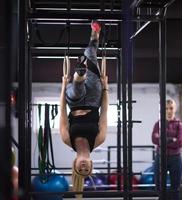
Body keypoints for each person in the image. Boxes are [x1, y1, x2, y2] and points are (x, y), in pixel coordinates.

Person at [59, 20, 109, 198]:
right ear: (90, 163)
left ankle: (79, 75)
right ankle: (94, 35)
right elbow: (104, 113)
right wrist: (105, 88)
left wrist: (63, 87)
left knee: (75, 93)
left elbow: (62, 113)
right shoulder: (99, 140)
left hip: (74, 102)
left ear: (75, 163)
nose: (84, 167)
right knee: (91, 54)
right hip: (95, 98)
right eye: (87, 168)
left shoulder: (67, 140)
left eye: (81, 168)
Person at [152, 99, 182, 200]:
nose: (169, 111)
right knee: (159, 188)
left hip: (175, 158)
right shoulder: (158, 124)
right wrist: (171, 139)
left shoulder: (179, 125)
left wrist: (163, 141)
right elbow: (154, 139)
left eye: (171, 108)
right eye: (166, 108)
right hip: (160, 157)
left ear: (175, 109)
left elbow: (180, 142)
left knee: (175, 189)